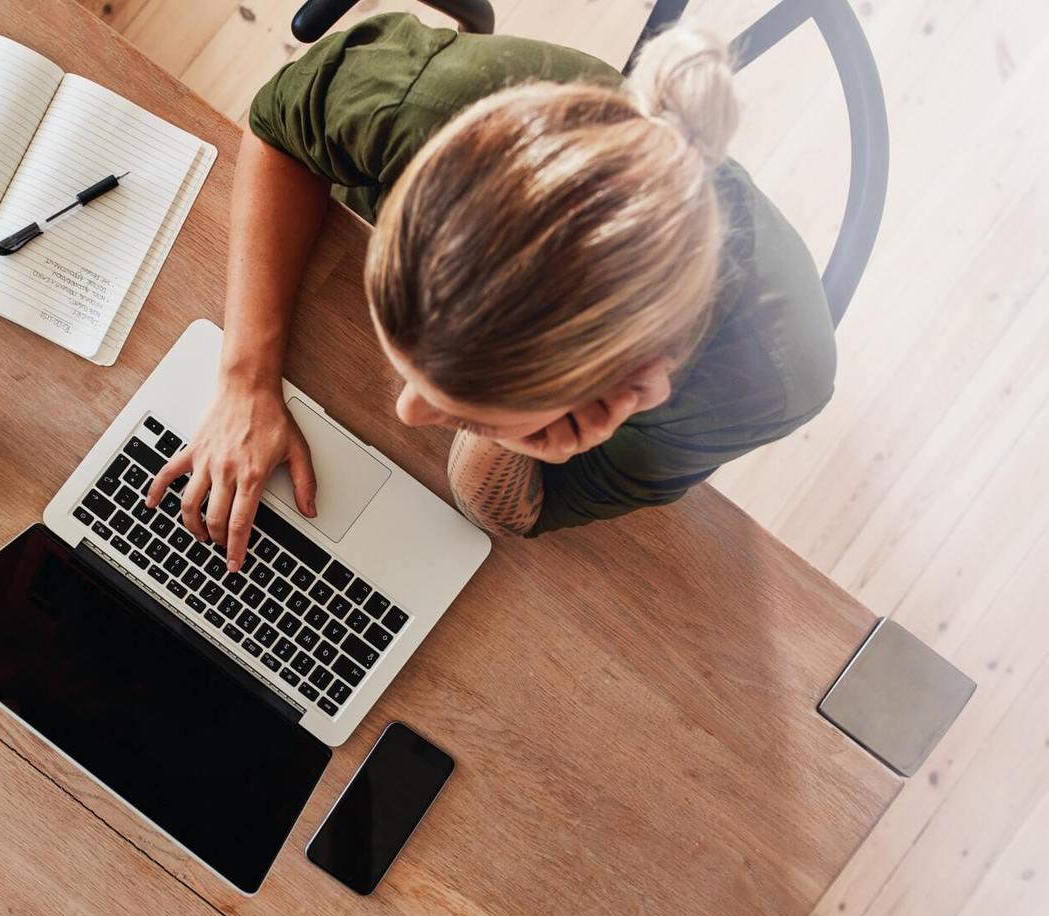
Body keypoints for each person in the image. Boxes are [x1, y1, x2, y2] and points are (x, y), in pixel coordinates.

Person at [145, 15, 837, 573]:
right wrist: (245, 379)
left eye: (465, 413)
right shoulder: (437, 107)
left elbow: (501, 511)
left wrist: (521, 447)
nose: (407, 411)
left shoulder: (760, 389)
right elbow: (281, 125)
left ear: (631, 390)